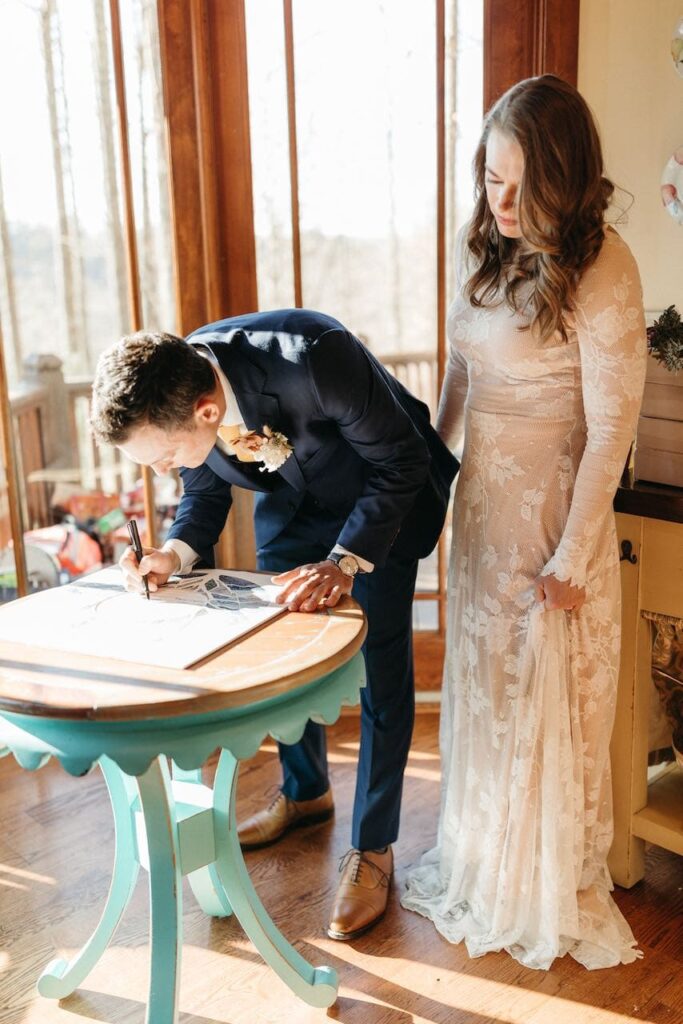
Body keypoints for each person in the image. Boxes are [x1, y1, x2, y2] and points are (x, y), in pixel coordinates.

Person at [90, 308, 458, 941]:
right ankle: (305, 791)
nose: (161, 470)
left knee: (380, 668)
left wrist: (345, 562)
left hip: (385, 496)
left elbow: (400, 461)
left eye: (164, 455)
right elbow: (203, 492)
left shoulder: (316, 356)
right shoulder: (182, 385)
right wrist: (170, 556)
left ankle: (373, 847)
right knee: (285, 643)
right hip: (293, 502)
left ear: (208, 412)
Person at [401, 75, 647, 970]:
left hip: (552, 514)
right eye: (489, 179)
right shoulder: (489, 247)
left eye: (516, 186)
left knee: (535, 689)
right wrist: (426, 478)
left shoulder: (605, 264)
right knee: (483, 688)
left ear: (562, 178)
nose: (497, 201)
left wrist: (575, 553)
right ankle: (477, 853)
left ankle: (535, 876)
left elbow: (612, 426)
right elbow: (459, 378)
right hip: (481, 514)